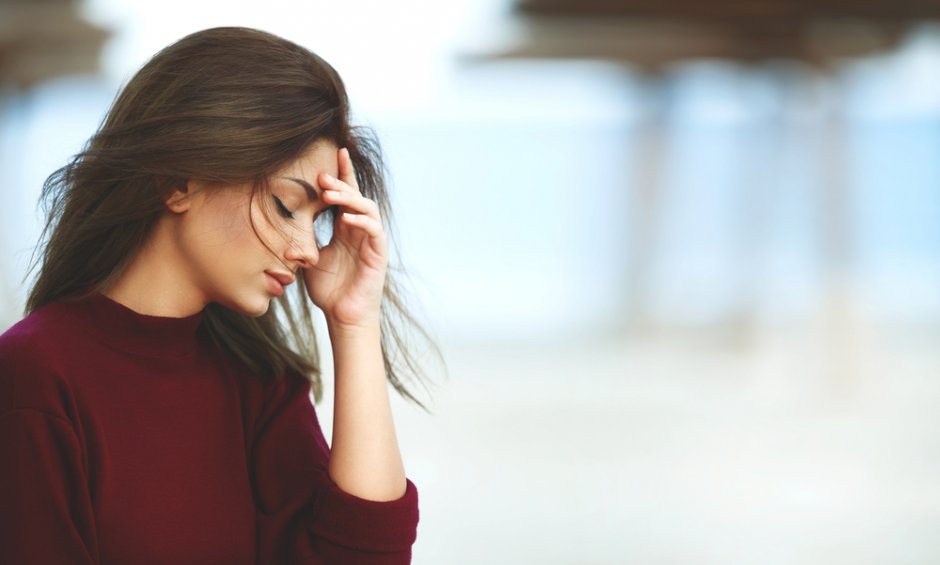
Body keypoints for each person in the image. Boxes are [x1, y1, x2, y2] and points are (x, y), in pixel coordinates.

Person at [0, 27, 432, 564]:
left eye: (318, 220)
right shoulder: (35, 376)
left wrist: (354, 322)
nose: (307, 251)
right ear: (178, 181)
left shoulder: (259, 379)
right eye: (285, 206)